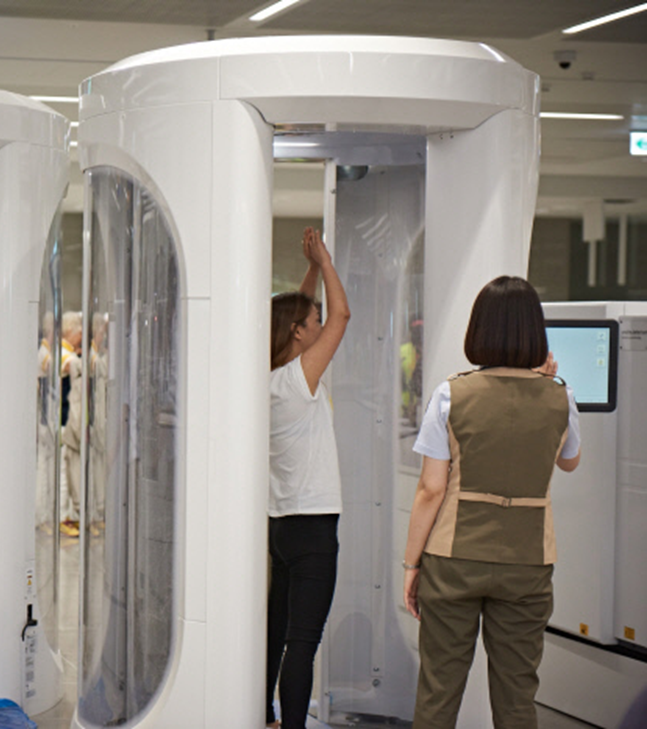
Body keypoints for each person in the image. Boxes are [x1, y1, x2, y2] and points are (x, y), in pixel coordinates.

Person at [402, 276, 581, 729]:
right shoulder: (560, 396)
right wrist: (545, 385)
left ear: (478, 329)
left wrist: (411, 564)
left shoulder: (451, 393)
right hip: (528, 559)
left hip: (453, 557)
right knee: (517, 695)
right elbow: (569, 461)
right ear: (535, 332)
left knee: (439, 690)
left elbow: (431, 489)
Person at [266, 226, 351, 729]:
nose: (320, 324)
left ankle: (265, 715)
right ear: (298, 333)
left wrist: (312, 272)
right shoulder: (298, 382)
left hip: (281, 526)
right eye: (311, 321)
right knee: (303, 641)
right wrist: (326, 261)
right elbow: (342, 316)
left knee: (277, 631)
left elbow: (301, 315)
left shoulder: (271, 379)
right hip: (313, 527)